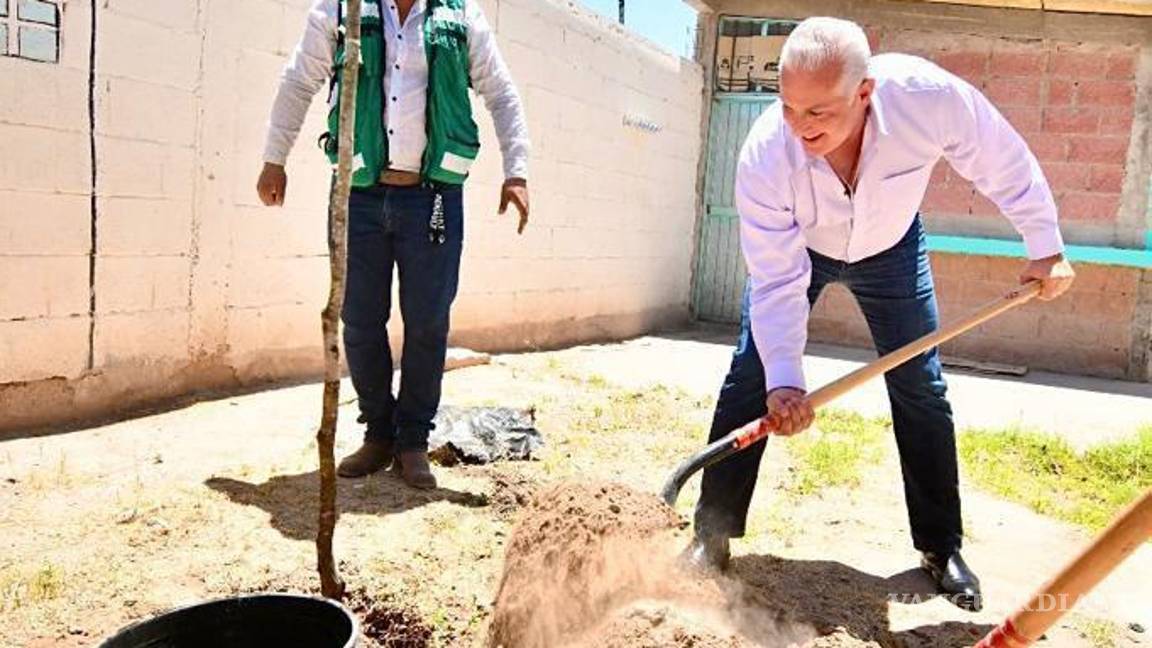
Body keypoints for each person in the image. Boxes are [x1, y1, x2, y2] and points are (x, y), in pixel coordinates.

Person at [684, 17, 1075, 612]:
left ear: (864, 91)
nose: (800, 125)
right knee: (752, 375)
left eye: (819, 111)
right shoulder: (766, 153)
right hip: (802, 249)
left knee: (921, 386)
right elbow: (776, 278)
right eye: (789, 107)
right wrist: (785, 379)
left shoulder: (927, 98)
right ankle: (711, 536)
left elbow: (999, 156)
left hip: (892, 250)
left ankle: (940, 548)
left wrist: (1045, 246)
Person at [257, 0, 530, 489]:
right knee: (360, 321)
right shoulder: (341, 9)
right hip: (358, 194)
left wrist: (517, 171)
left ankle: (412, 442)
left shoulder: (460, 15)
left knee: (427, 323)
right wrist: (274, 159)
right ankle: (379, 434)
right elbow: (299, 80)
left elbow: (501, 92)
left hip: (433, 198)